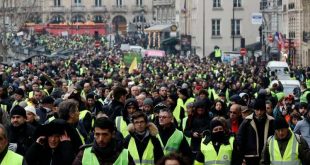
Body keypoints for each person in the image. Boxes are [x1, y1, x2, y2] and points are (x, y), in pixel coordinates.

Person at [236, 98, 274, 165]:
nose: (259, 112)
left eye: (261, 110)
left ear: (264, 110)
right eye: (257, 110)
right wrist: (241, 157)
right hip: (250, 156)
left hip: (267, 155)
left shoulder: (271, 121)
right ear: (254, 110)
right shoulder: (247, 121)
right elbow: (240, 139)